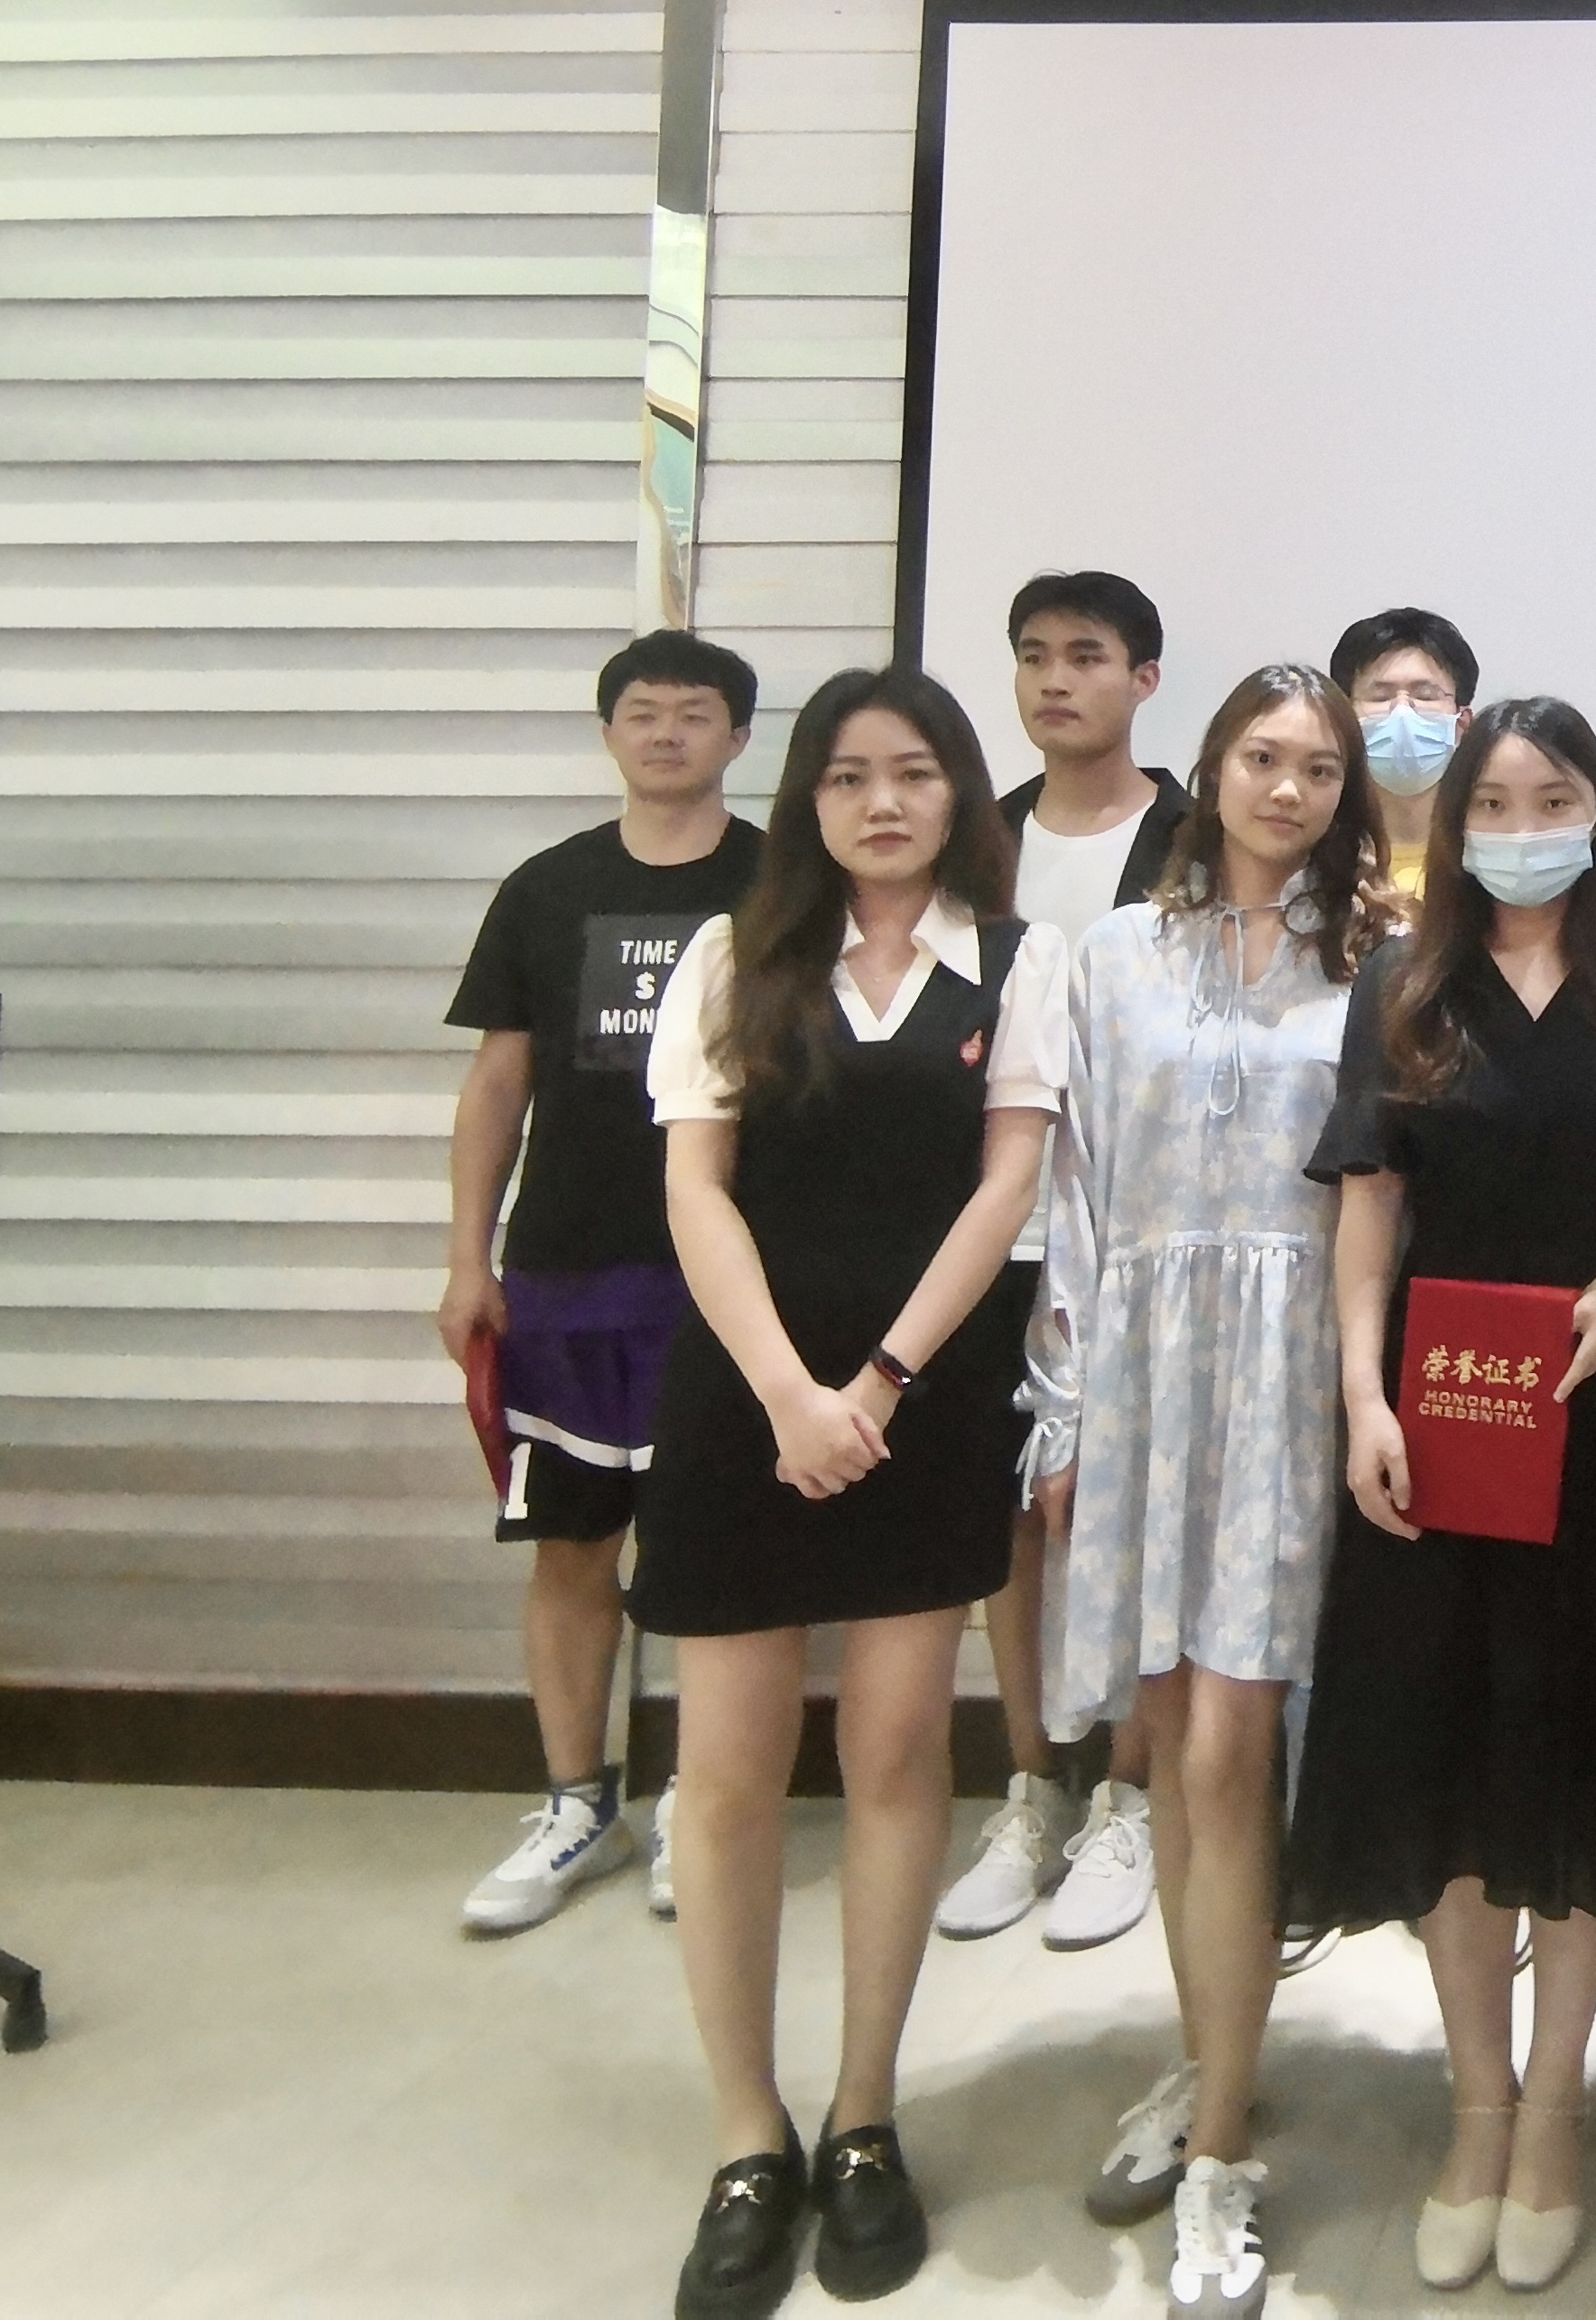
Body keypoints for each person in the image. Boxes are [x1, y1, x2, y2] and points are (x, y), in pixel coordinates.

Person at [636, 666, 1066, 2317]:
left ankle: (864, 2113)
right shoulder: (730, 956)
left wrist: (875, 1384)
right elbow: (696, 1188)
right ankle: (747, 2133)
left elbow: (1007, 1184)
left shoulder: (1016, 965)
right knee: (729, 1774)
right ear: (806, 799)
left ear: (959, 793)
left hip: (924, 1401)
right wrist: (786, 1393)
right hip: (745, 1402)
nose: (881, 803)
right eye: (845, 777)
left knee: (895, 1756)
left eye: (913, 773)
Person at [1285, 698, 1596, 2296]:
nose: (1524, 826)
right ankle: (1476, 2103)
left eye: (1555, 799)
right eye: (1496, 801)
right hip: (1441, 1409)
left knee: (1585, 1740)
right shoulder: (1401, 984)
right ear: (1455, 821)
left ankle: (1555, 2104)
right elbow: (1368, 1205)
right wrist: (1361, 1398)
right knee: (1449, 1744)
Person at [1030, 666, 1383, 2316]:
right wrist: (1064, 1406)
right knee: (1170, 1744)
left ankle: (1225, 2151)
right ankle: (1205, 2053)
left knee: (1238, 1742)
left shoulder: (1373, 961)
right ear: (1214, 766)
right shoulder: (1113, 955)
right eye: (1262, 756)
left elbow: (1383, 1195)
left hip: (1291, 1366)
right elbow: (1075, 1189)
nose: (1287, 789)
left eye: (1319, 767)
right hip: (1147, 1366)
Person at [439, 631, 766, 1935]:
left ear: (740, 737)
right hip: (566, 1273)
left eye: (695, 713)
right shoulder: (546, 887)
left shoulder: (783, 883)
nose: (667, 733)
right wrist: (467, 1257)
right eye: (643, 711)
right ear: (609, 732)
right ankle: (580, 1804)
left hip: (728, 1280)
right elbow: (498, 1082)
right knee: (572, 1549)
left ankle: (703, 1802)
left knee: (714, 1553)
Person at [941, 570, 1193, 1951]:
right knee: (1011, 1524)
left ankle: (1129, 1799)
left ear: (1142, 678)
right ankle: (1032, 1786)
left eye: (1087, 656)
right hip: (997, 1224)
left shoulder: (1197, 840)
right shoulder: (971, 842)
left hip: (1146, 1233)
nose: (1056, 680)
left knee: (1128, 1508)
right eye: (1033, 655)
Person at [1334, 606, 1479, 912]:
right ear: (1344, 720)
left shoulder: (1489, 856)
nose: (1402, 711)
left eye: (1425, 695)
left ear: (1463, 724)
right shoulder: (1321, 854)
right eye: (1380, 696)